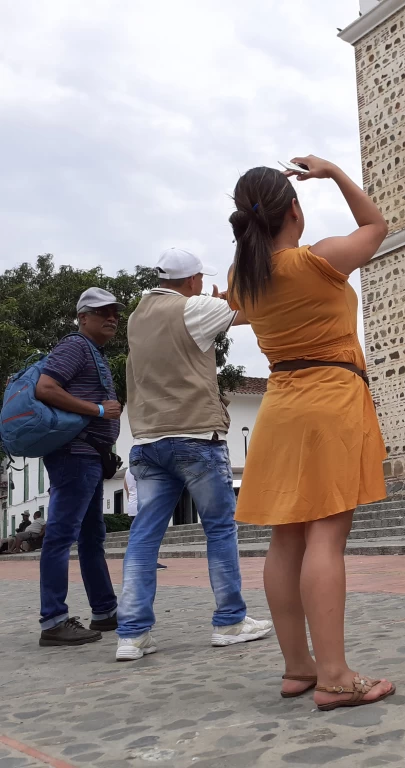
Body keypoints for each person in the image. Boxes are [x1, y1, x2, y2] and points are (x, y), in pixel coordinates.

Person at [227, 156, 394, 709]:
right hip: (329, 399)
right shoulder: (317, 260)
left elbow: (240, 308)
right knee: (326, 537)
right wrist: (335, 173)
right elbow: (376, 226)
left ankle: (298, 666)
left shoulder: (243, 278)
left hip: (280, 404)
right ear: (293, 211)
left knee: (286, 538)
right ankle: (335, 676)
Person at [116, 248, 269, 661]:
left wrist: (215, 306)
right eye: (200, 278)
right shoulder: (195, 307)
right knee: (219, 529)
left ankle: (132, 634)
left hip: (147, 440)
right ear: (190, 280)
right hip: (195, 436)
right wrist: (222, 302)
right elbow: (250, 311)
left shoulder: (137, 316)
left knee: (144, 536)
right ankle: (230, 622)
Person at [33, 288, 122, 646]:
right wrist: (98, 410)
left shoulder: (92, 351)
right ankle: (53, 621)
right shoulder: (75, 346)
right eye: (103, 312)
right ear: (83, 317)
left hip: (89, 457)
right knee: (61, 536)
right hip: (75, 455)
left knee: (91, 537)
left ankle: (105, 611)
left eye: (115, 313)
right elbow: (46, 388)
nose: (112, 318)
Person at [123, 467, 165, 569]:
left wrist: (131, 501)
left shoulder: (128, 470)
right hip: (143, 506)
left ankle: (133, 561)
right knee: (148, 536)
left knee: (136, 536)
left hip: (133, 506)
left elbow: (126, 488)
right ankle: (149, 561)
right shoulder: (145, 467)